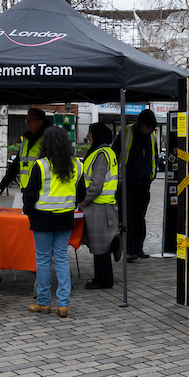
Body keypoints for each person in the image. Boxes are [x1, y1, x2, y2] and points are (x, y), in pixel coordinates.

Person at [22, 125, 80, 317]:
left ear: (45, 144)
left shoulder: (40, 165)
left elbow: (29, 194)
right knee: (62, 258)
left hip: (42, 218)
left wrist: (28, 211)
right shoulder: (77, 164)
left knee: (44, 260)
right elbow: (82, 193)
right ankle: (63, 304)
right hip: (65, 217)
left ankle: (44, 302)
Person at [114, 109, 159, 261]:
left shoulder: (151, 137)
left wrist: (152, 176)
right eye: (147, 127)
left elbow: (155, 157)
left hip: (144, 183)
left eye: (151, 128)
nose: (149, 130)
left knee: (140, 217)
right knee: (127, 217)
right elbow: (115, 153)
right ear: (140, 124)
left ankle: (138, 248)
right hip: (127, 183)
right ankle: (129, 250)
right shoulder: (127, 133)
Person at [80, 122, 118, 289]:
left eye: (90, 133)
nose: (87, 136)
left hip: (99, 207)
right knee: (99, 245)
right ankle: (101, 278)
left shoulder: (101, 154)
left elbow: (96, 185)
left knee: (101, 246)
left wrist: (82, 200)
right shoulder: (103, 152)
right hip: (100, 206)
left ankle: (104, 280)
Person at [0, 107, 51, 196]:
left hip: (42, 190)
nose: (27, 123)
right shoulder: (26, 140)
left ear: (40, 122)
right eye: (26, 120)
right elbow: (16, 165)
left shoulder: (47, 140)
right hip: (26, 189)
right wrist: (3, 184)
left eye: (30, 120)